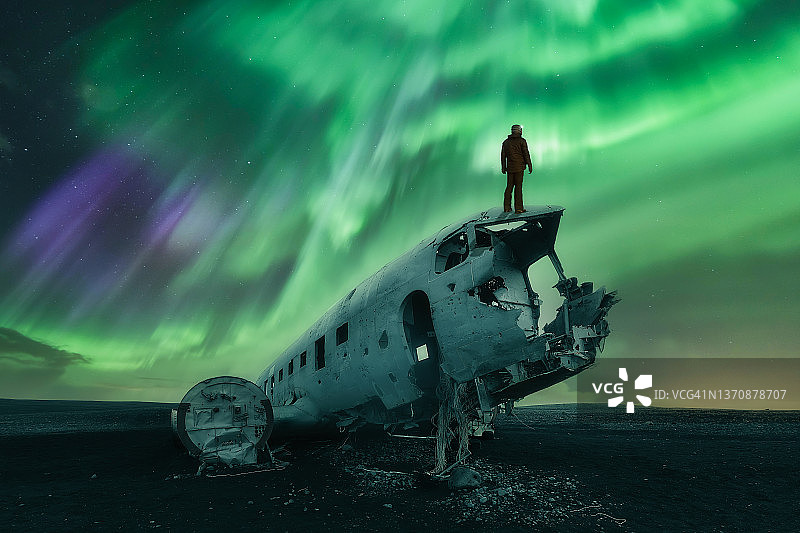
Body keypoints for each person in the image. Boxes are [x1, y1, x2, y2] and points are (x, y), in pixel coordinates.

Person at [500, 124, 532, 213]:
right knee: (518, 187)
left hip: (510, 168)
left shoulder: (506, 142)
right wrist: (529, 164)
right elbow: (526, 154)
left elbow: (503, 156)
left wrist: (503, 167)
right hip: (519, 168)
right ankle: (518, 208)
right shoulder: (522, 141)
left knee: (509, 187)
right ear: (519, 131)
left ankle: (507, 207)